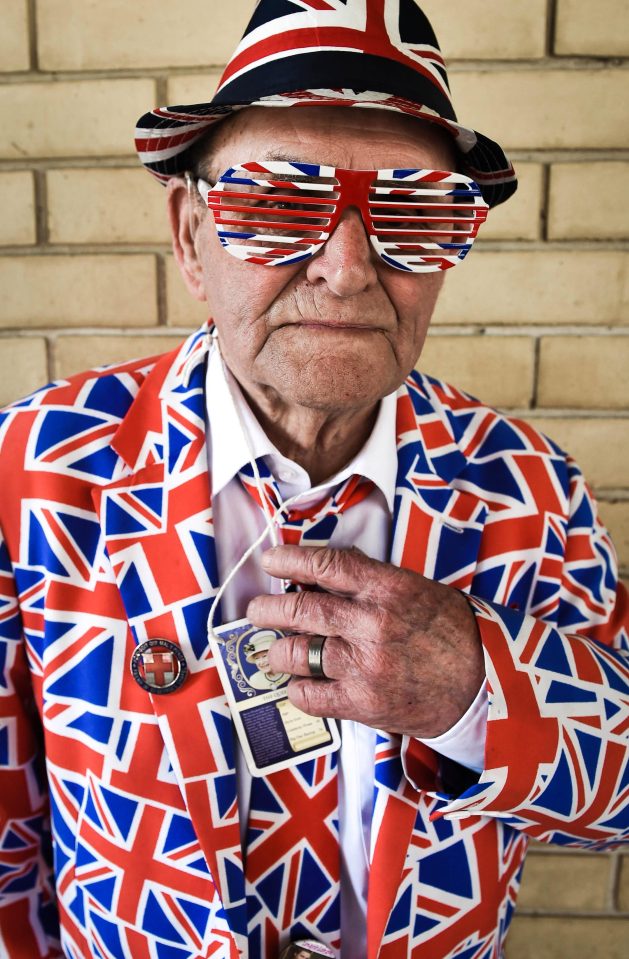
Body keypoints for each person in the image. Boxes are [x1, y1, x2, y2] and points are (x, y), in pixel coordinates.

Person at [0, 2, 627, 958]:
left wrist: (475, 687)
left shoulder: (529, 489)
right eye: (275, 203)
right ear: (190, 236)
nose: (345, 269)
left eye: (412, 211)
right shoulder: (36, 470)